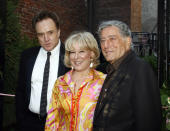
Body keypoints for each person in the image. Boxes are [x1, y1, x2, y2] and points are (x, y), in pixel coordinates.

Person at [93, 20, 162, 131]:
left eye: (112, 39)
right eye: (102, 40)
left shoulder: (140, 69)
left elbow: (148, 122)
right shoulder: (106, 70)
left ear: (128, 41)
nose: (106, 45)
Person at [16, 10, 70, 131]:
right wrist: (21, 119)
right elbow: (20, 89)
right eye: (41, 34)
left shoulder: (71, 56)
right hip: (29, 123)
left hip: (59, 124)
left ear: (59, 31)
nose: (46, 39)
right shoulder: (27, 56)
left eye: (50, 32)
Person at [45, 31, 106, 131]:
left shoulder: (102, 82)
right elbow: (52, 120)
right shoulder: (60, 83)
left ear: (91, 53)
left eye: (81, 51)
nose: (76, 56)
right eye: (72, 52)